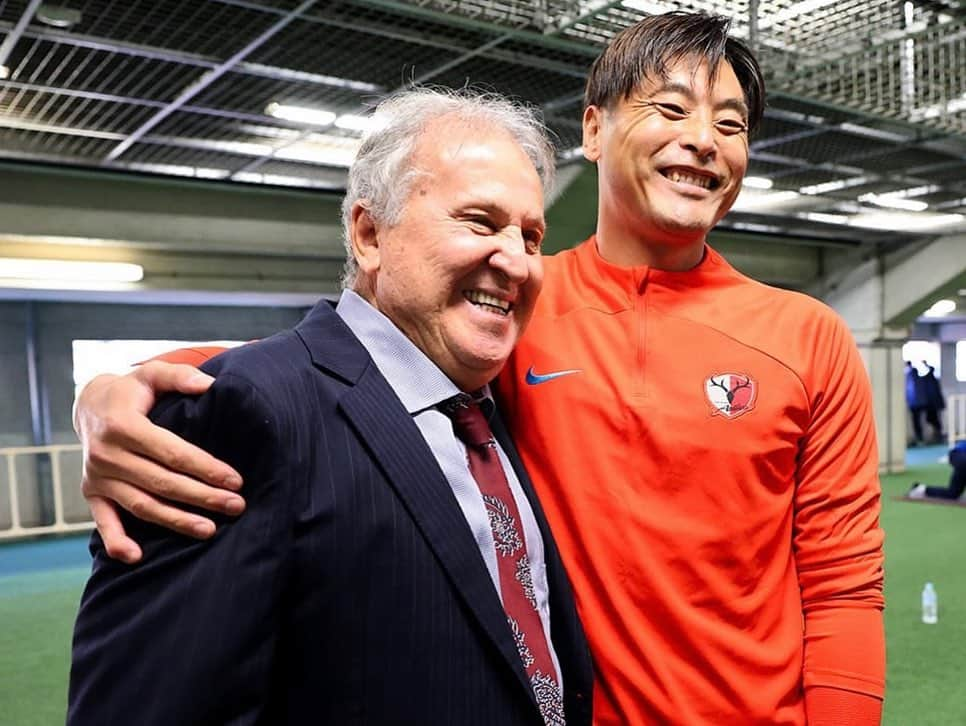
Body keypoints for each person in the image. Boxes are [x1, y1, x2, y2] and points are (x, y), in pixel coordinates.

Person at [72, 12, 885, 725]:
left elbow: (844, 586)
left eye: (732, 124)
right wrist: (120, 390)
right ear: (595, 131)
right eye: (669, 108)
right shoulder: (511, 309)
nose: (702, 139)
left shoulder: (806, 336)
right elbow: (327, 366)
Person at [67, 88, 593, 726]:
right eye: (479, 222)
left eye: (531, 235)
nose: (518, 261)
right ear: (369, 234)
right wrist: (103, 394)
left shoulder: (488, 409)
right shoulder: (243, 412)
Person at [921, 362, 946, 443]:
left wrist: (926, 364)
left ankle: (938, 435)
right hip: (931, 405)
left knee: (934, 420)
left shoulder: (931, 379)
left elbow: (931, 369)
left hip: (933, 405)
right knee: (932, 420)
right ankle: (937, 435)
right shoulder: (928, 380)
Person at [906, 360, 926, 445]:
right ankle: (920, 438)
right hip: (916, 404)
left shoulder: (912, 378)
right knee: (917, 422)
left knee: (917, 422)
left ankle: (920, 438)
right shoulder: (914, 379)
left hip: (916, 405)